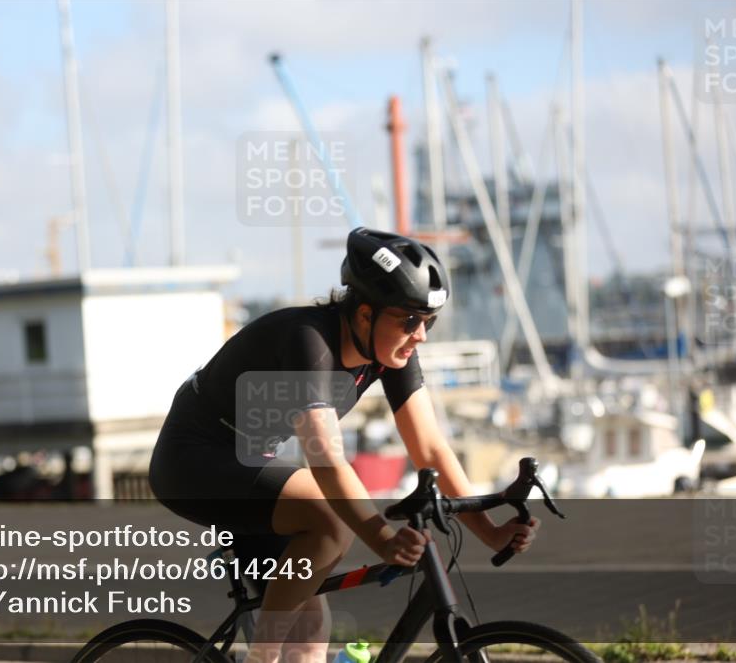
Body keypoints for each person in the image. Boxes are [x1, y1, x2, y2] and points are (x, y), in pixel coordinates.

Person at [149, 228, 540, 663]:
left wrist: (489, 531)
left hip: (250, 462)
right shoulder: (309, 341)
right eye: (410, 321)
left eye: (428, 322)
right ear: (365, 314)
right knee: (331, 520)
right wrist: (382, 538)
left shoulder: (390, 352)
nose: (420, 336)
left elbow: (430, 449)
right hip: (193, 461)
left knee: (310, 634)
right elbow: (326, 459)